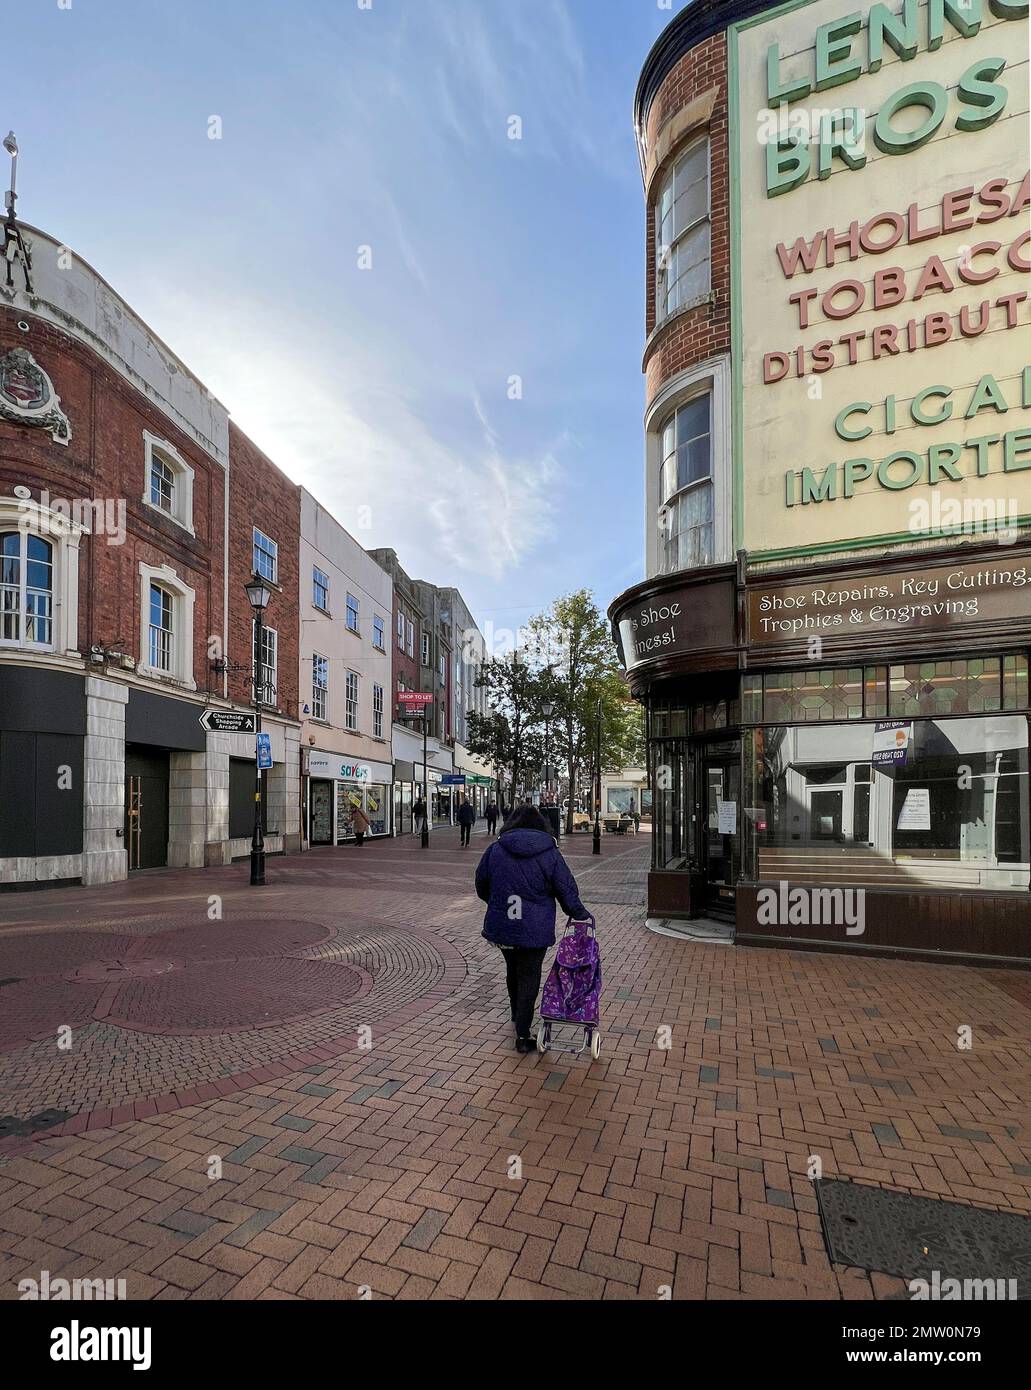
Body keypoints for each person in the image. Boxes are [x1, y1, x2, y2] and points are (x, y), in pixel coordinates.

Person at [475, 804, 591, 1053]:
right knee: (529, 974)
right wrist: (580, 914)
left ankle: (518, 1015)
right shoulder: (549, 852)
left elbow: (481, 884)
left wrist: (497, 903)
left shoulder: (496, 849)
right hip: (534, 927)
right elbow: (565, 887)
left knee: (512, 968)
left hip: (503, 922)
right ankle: (522, 1035)